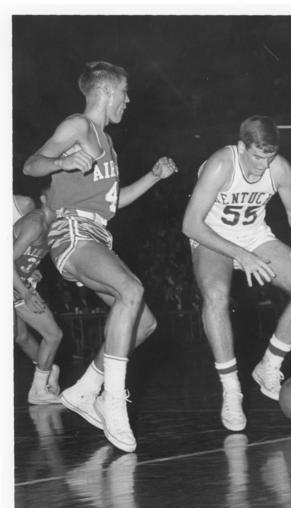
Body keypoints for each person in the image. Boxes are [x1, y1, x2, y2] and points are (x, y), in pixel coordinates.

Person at [23, 61, 178, 453]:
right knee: (131, 288)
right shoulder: (78, 125)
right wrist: (60, 162)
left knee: (144, 323)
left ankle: (85, 389)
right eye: (124, 92)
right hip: (72, 233)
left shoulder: (107, 144)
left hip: (97, 232)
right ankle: (113, 401)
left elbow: (113, 203)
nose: (128, 100)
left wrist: (154, 177)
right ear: (107, 91)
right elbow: (31, 164)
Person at [182, 115, 291, 431]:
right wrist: (240, 256)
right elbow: (190, 224)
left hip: (253, 235)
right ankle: (232, 392)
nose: (264, 164)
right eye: (258, 156)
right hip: (212, 236)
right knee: (216, 296)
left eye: (269, 156)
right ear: (241, 146)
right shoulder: (221, 165)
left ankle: (269, 366)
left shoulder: (280, 168)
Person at [13, 188, 63, 404]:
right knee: (53, 335)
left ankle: (48, 368)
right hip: (15, 287)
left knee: (21, 337)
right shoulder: (35, 223)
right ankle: (38, 390)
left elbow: (20, 256)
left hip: (18, 282)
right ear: (43, 199)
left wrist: (29, 268)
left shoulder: (52, 226)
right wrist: (24, 292)